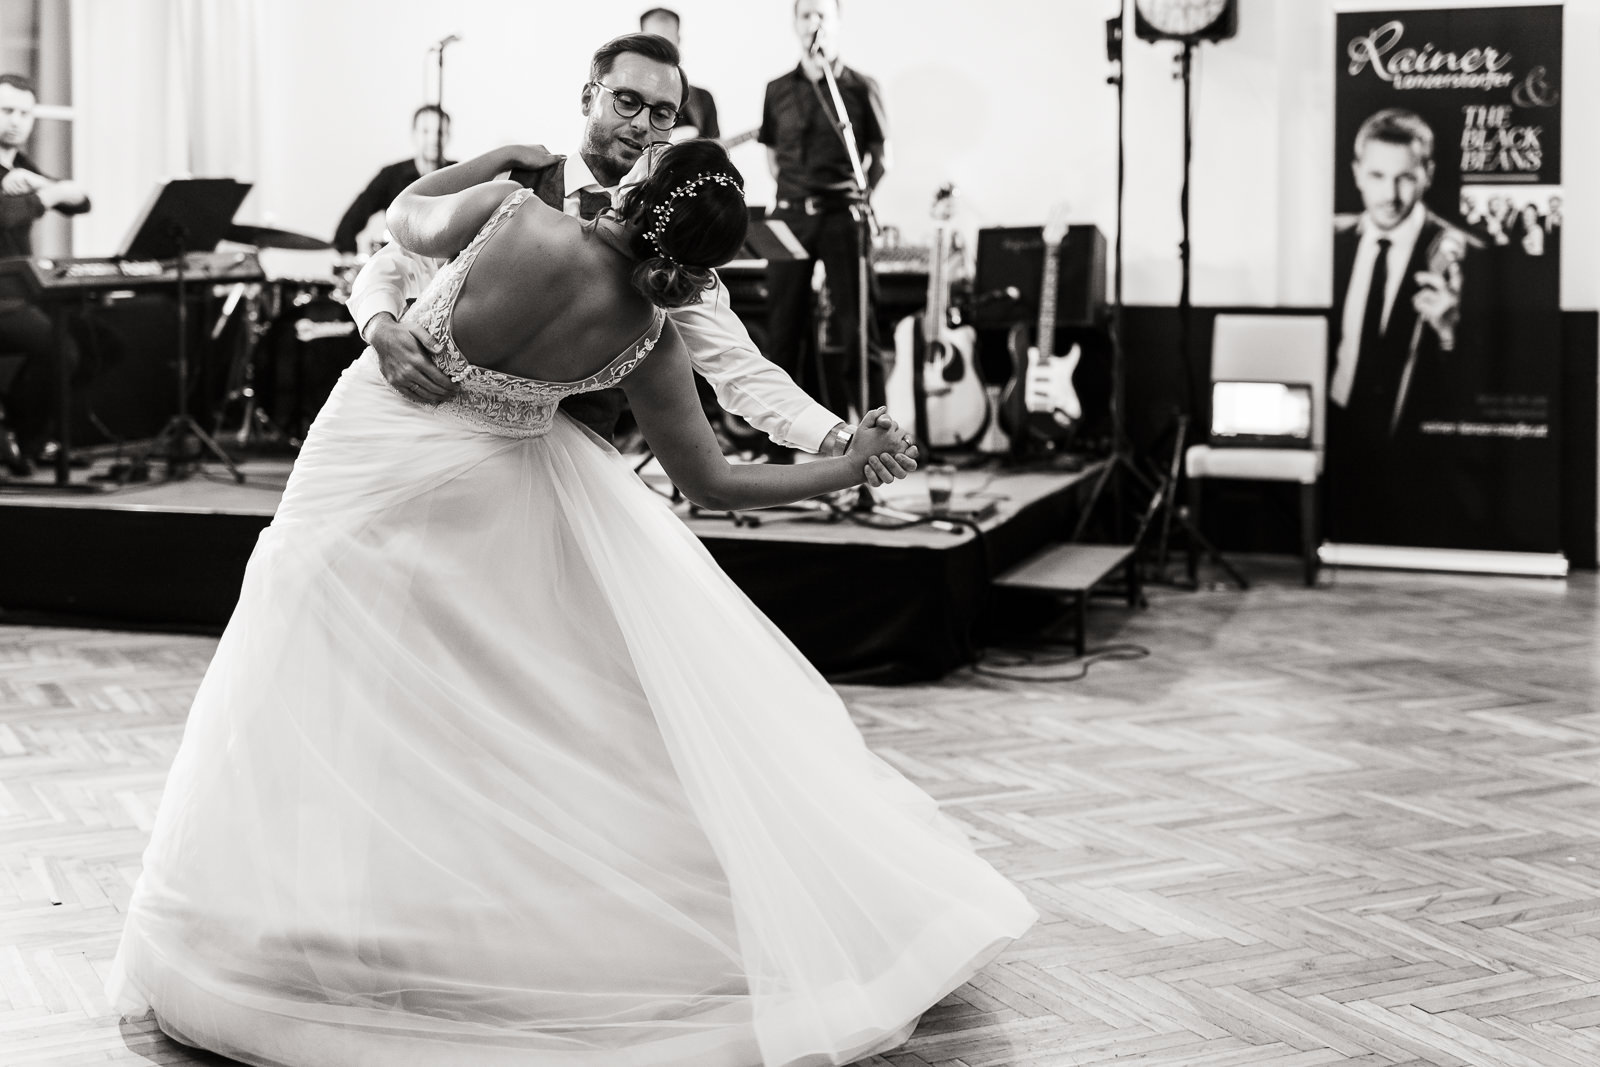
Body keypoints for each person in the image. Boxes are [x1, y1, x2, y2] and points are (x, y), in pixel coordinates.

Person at [105, 136, 1035, 1067]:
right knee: (449, 693)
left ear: (640, 186)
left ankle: (297, 906)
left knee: (306, 653)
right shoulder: (649, 339)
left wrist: (493, 159)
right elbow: (711, 482)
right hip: (479, 492)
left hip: (364, 452)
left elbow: (401, 218)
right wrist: (847, 463)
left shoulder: (511, 213)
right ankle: (422, 905)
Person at [352, 33, 893, 475]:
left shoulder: (671, 239)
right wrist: (380, 327)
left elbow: (737, 365)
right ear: (588, 98)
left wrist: (839, 439)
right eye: (627, 101)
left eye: (662, 113)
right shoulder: (512, 181)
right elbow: (396, 260)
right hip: (434, 442)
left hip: (572, 468)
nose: (641, 125)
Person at [1328, 107, 1488, 547]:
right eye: (1377, 176)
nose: (1390, 195)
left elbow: (1488, 380)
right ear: (1357, 173)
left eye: (1405, 178)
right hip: (1340, 444)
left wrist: (1450, 332)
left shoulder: (1470, 256)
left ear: (1427, 174)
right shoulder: (1330, 242)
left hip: (1422, 469)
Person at [759, 0, 890, 433]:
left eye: (821, 15)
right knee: (783, 332)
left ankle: (877, 436)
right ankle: (780, 443)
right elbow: (772, 157)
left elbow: (879, 158)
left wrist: (858, 198)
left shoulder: (860, 86)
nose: (813, 22)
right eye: (806, 15)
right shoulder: (776, 89)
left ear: (836, 24)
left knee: (858, 332)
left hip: (843, 217)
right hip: (790, 218)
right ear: (795, 24)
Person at [0, 72, 90, 476]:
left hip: (21, 293)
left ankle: (29, 436)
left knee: (100, 342)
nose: (16, 121)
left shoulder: (20, 165)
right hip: (2, 299)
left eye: (25, 113)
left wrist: (39, 184)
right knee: (60, 349)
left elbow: (80, 202)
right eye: (7, 110)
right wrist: (49, 193)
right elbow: (5, 215)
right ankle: (24, 438)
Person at [331, 104, 454, 258]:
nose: (433, 139)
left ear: (449, 136)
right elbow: (348, 225)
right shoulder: (391, 175)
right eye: (425, 131)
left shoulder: (461, 173)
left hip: (447, 267)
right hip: (402, 265)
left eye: (440, 132)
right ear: (414, 134)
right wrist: (349, 260)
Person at [639, 7, 720, 141]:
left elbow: (714, 151)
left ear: (678, 40)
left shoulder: (702, 98)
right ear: (641, 41)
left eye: (668, 42)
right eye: (654, 41)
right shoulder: (625, 95)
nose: (661, 49)